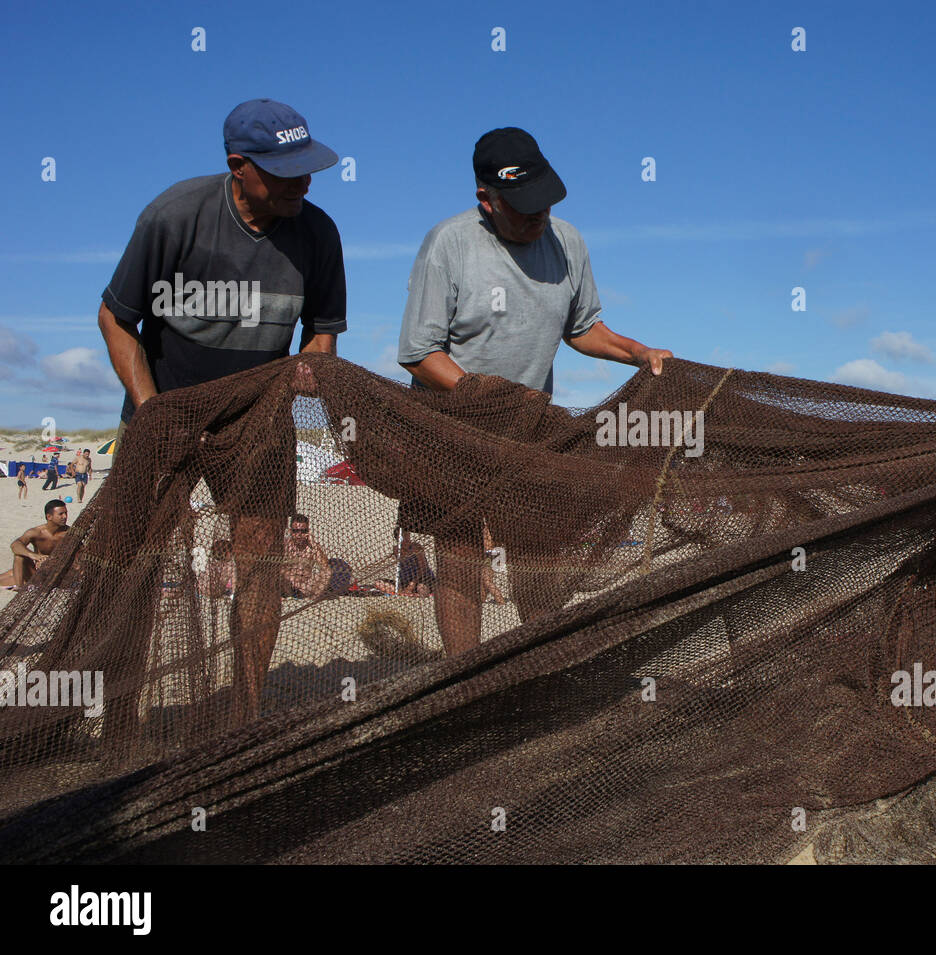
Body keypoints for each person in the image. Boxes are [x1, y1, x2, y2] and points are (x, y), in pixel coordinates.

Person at [97, 99, 347, 728]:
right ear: (239, 166)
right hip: (166, 409)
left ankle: (245, 713)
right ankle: (122, 720)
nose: (304, 181)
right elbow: (116, 319)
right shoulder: (174, 215)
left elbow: (321, 337)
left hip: (256, 422)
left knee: (261, 563)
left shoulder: (318, 234)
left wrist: (306, 376)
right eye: (285, 171)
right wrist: (153, 411)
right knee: (137, 567)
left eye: (307, 167)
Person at [397, 127, 673, 655]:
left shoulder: (566, 242)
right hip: (449, 425)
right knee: (459, 557)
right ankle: (463, 680)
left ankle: (542, 664)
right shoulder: (449, 244)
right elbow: (418, 352)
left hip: (528, 428)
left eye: (543, 204)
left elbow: (582, 328)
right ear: (486, 199)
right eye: (522, 209)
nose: (537, 217)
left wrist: (639, 352)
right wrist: (487, 396)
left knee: (538, 552)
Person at [0, 500, 70, 588]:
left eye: (66, 513)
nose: (65, 516)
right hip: (36, 572)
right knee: (19, 556)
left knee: (12, 574)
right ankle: (20, 588)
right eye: (61, 514)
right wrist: (34, 555)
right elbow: (15, 545)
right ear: (49, 516)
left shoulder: (69, 533)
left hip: (55, 574)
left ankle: (21, 583)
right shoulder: (37, 532)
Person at [282, 513, 332, 599]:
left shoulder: (312, 547)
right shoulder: (286, 546)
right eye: (295, 531)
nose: (299, 535)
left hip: (305, 587)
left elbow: (324, 565)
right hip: (287, 585)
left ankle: (310, 599)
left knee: (327, 573)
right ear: (290, 531)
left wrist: (314, 545)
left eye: (303, 531)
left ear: (307, 531)